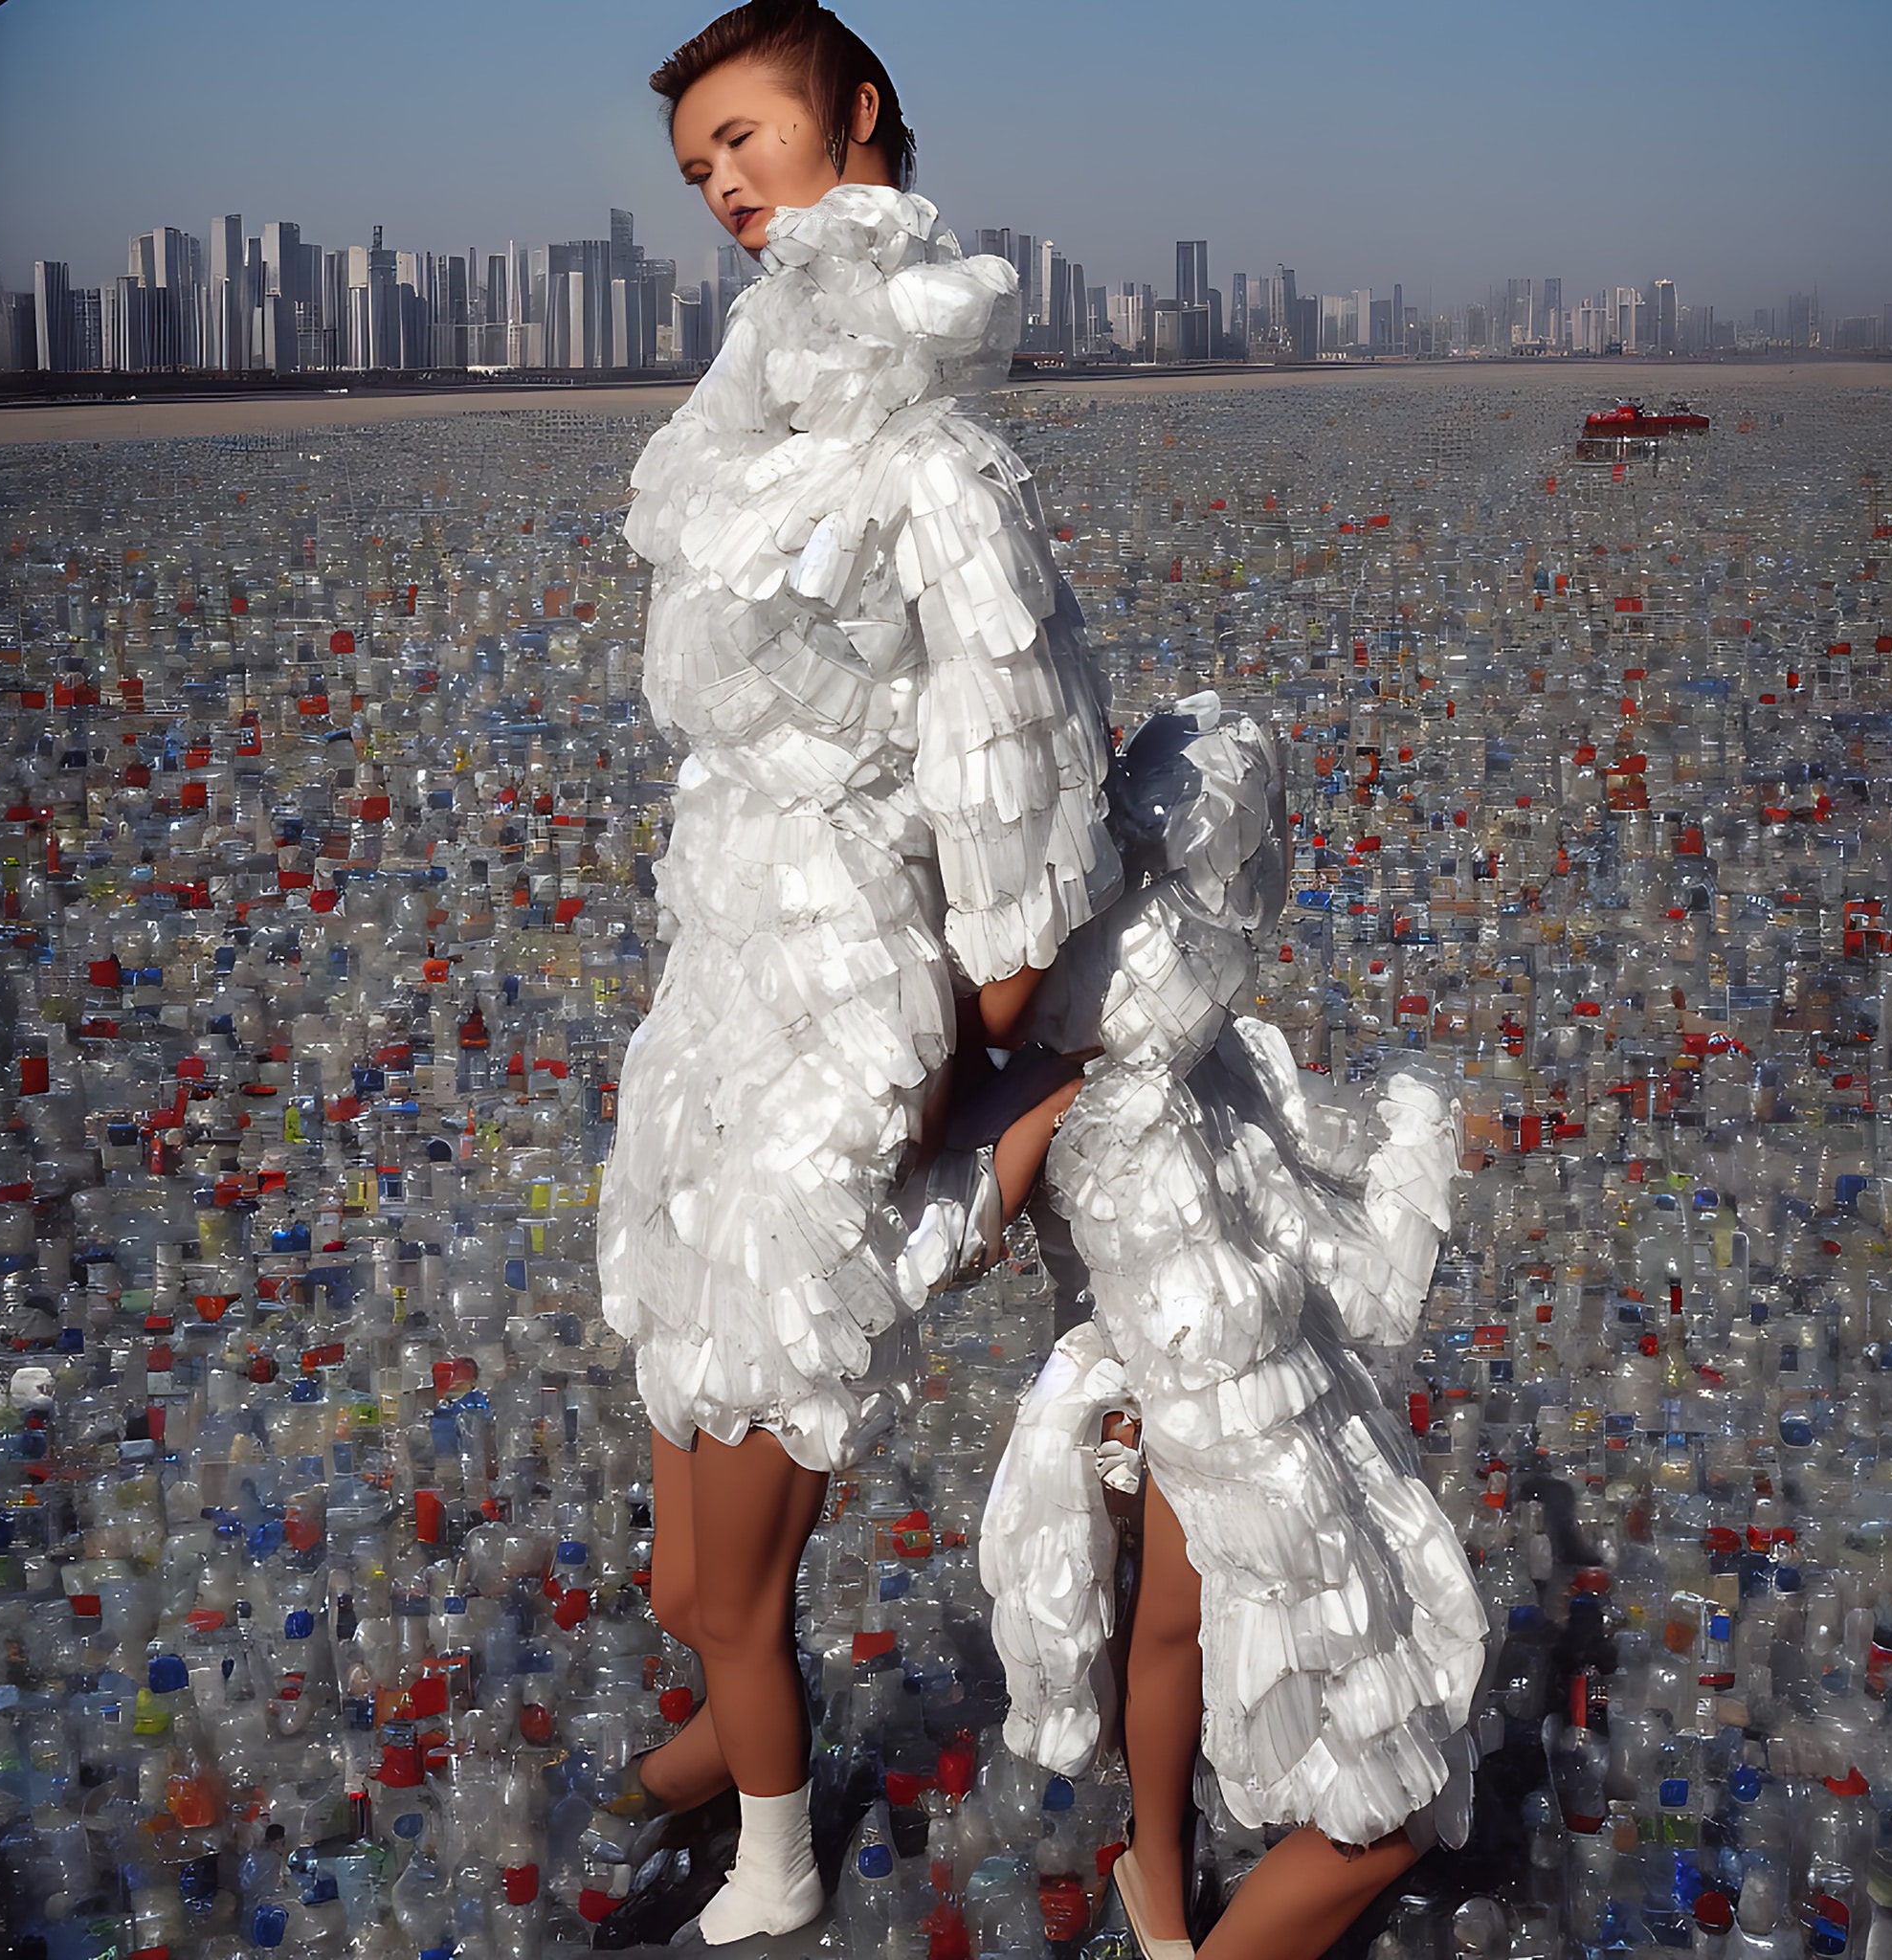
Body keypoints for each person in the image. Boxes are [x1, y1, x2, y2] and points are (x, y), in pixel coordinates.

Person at [593, 0, 1120, 1943]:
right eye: (695, 166)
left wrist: (989, 1015)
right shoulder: (767, 418)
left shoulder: (930, 466)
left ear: (858, 114)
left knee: (732, 1554)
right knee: (691, 1555)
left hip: (838, 997)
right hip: (727, 985)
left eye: (742, 134)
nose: (722, 184)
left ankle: (779, 1857)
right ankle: (716, 1745)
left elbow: (1011, 732)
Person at [981, 701, 1491, 1959]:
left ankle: (1156, 1879)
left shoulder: (1109, 1062)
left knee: (1159, 1624)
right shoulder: (1158, 1080)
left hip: (1119, 1411)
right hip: (1199, 1412)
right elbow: (1254, 1267)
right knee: (1400, 1791)